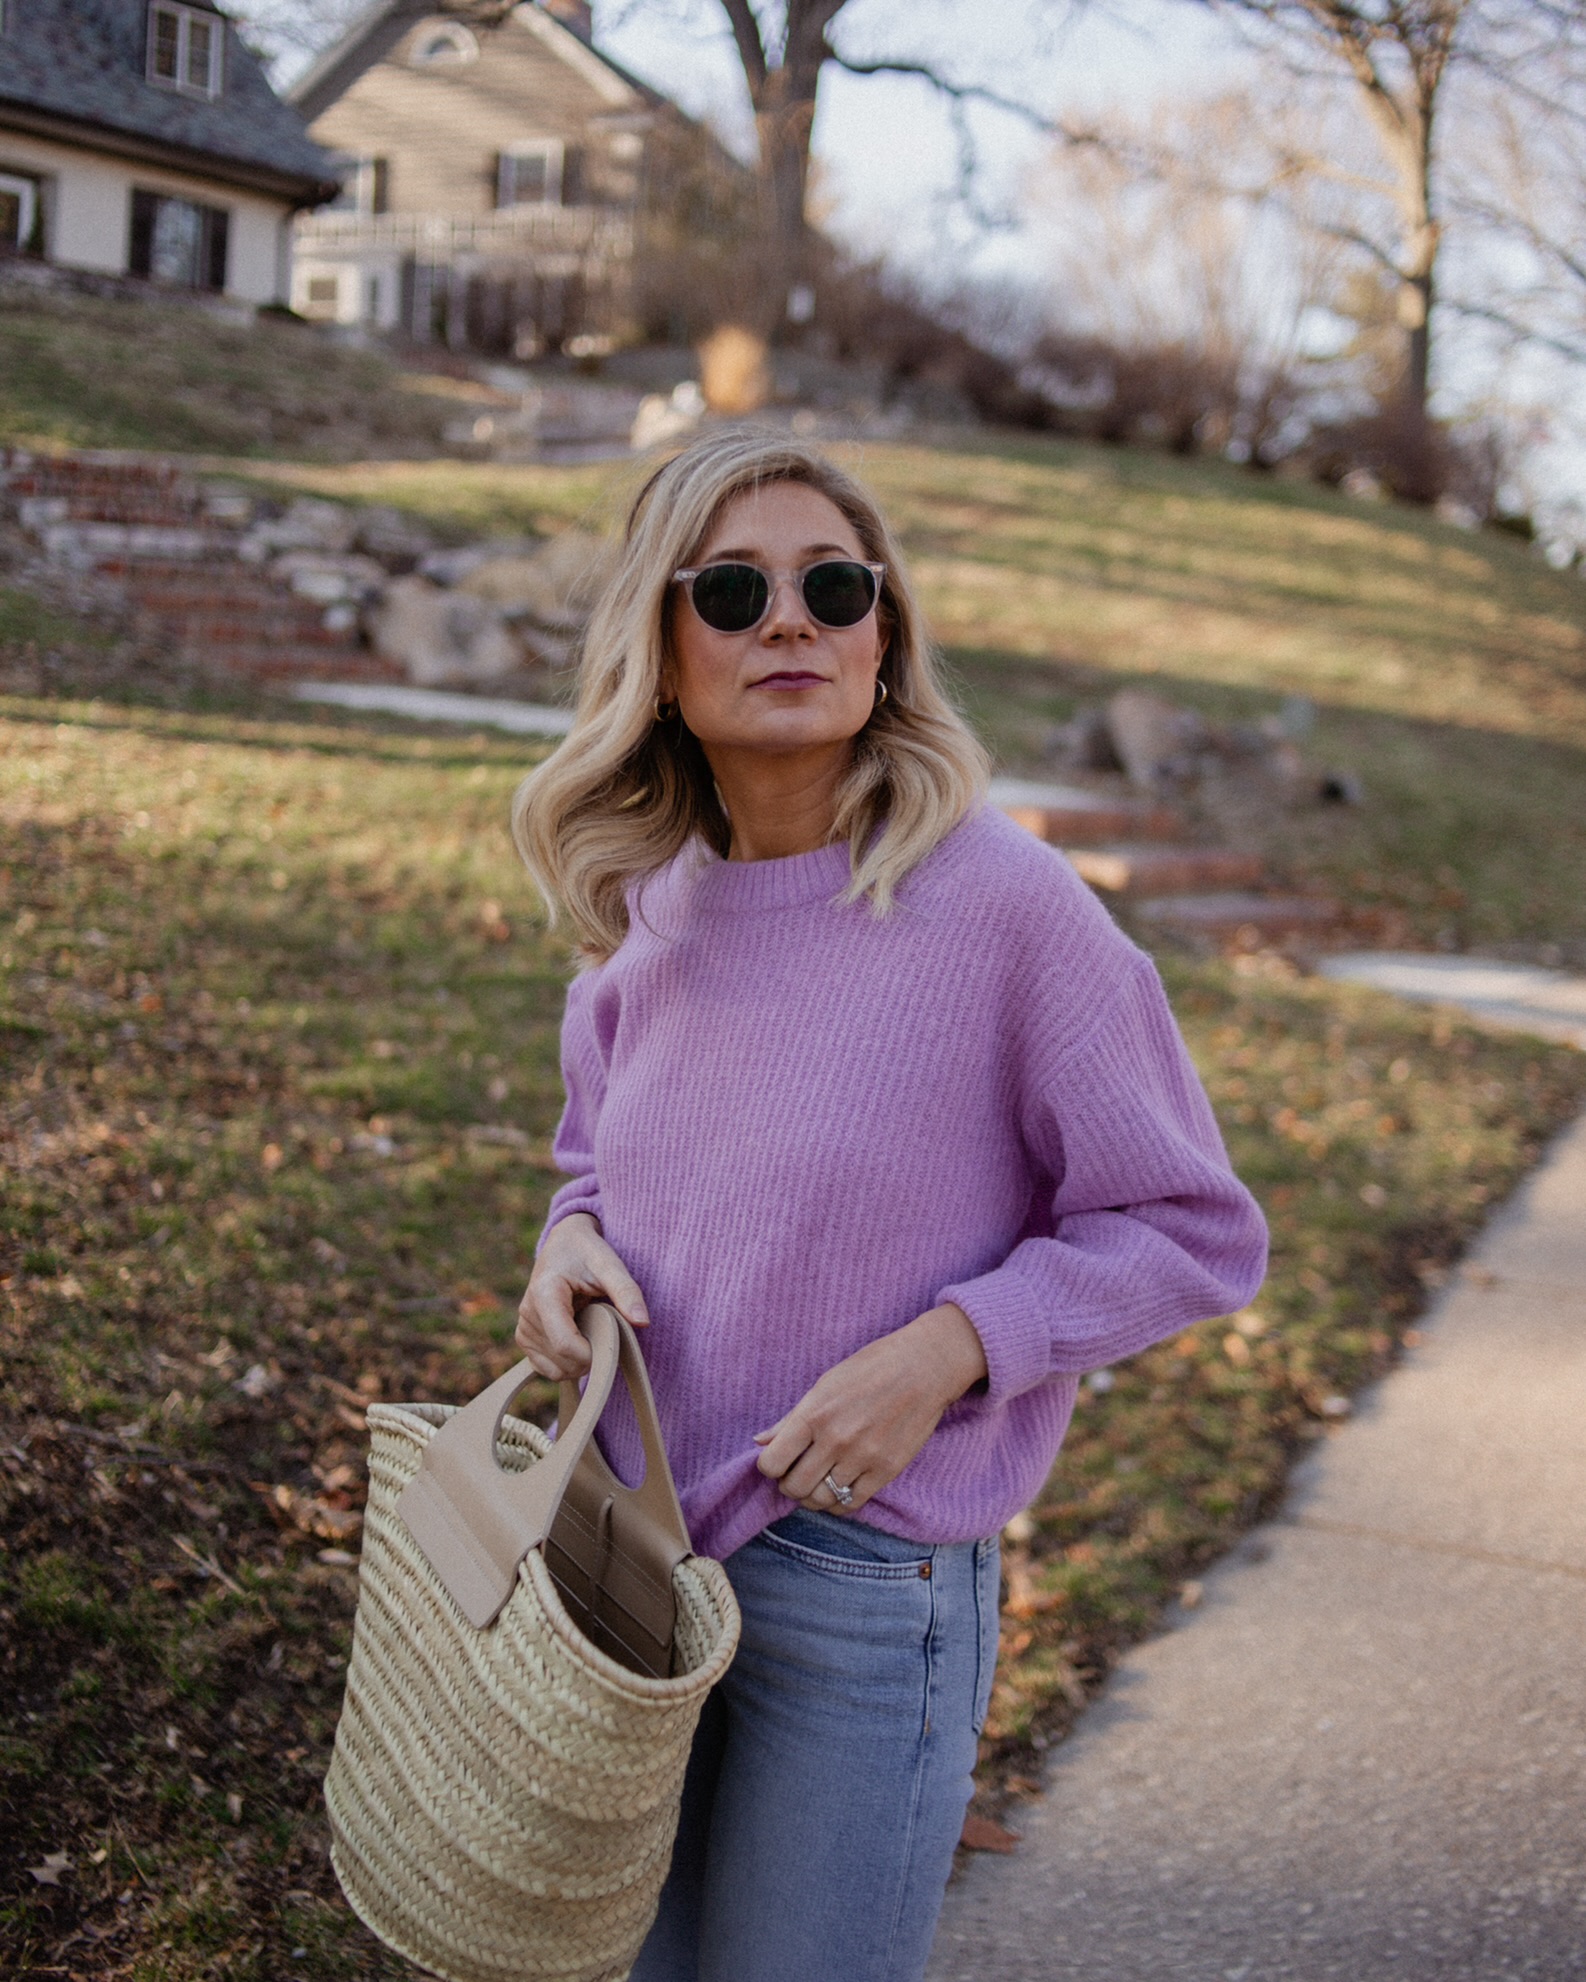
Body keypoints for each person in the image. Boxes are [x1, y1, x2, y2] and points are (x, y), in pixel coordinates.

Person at [511, 429, 1267, 1982]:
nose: (787, 619)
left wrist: (947, 1351)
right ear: (660, 655)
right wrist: (567, 1249)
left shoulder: (1005, 909)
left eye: (832, 585)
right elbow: (592, 1163)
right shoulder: (644, 925)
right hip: (632, 1569)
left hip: (862, 1586)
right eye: (731, 589)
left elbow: (1193, 1230)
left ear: (881, 639)